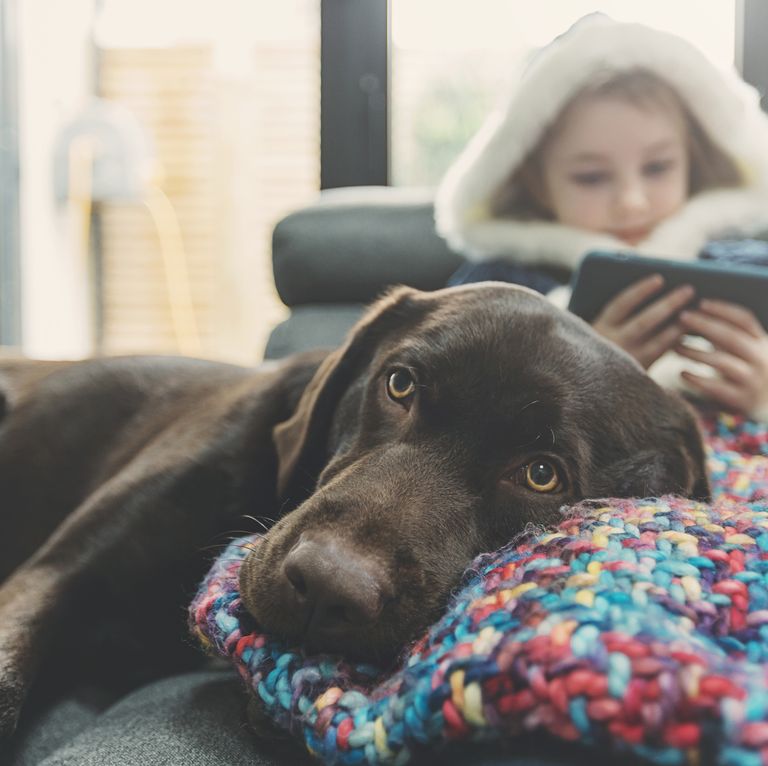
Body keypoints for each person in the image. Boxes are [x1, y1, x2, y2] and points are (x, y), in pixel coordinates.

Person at [435, 14, 768, 422]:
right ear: (536, 184)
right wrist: (582, 370)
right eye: (591, 177)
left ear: (692, 165)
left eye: (658, 167)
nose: (632, 203)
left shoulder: (748, 270)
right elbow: (447, 415)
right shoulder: (496, 288)